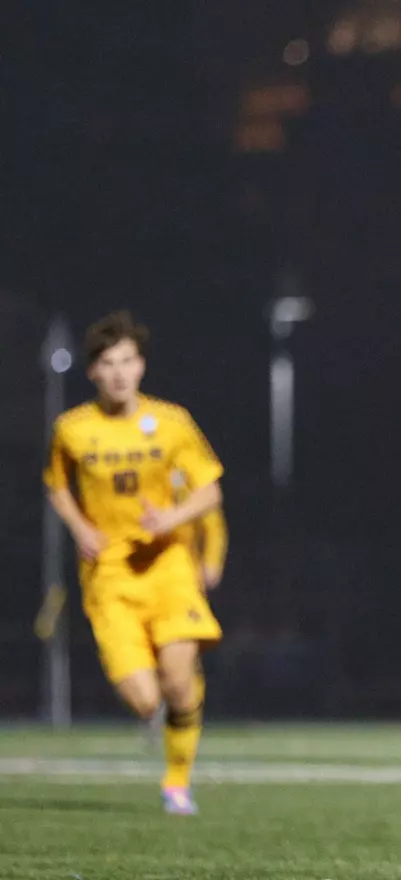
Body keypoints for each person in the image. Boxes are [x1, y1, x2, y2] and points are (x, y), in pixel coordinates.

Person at [43, 310, 225, 814]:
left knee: (179, 684)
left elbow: (209, 491)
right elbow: (57, 485)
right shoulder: (72, 429)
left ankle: (176, 783)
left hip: (169, 567)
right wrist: (81, 528)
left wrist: (171, 520)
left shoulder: (172, 422)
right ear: (93, 372)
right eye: (108, 363)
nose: (120, 372)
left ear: (142, 366)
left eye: (128, 361)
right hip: (111, 577)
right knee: (146, 700)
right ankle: (166, 707)